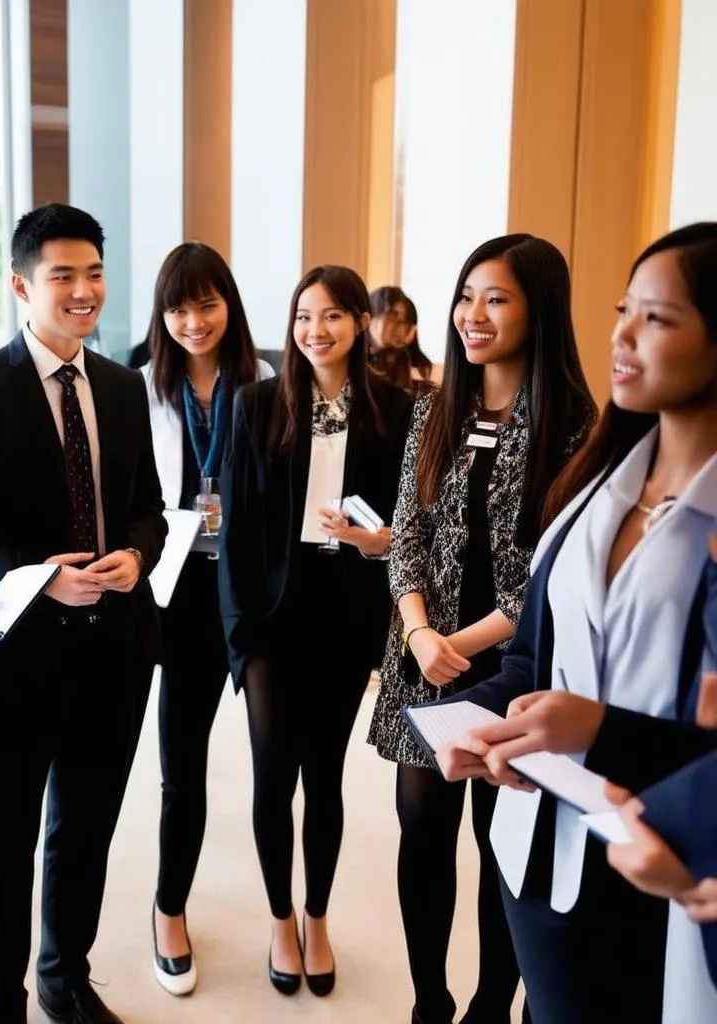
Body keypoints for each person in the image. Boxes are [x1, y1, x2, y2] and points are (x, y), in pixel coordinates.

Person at [434, 223, 717, 1022]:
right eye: (624, 310)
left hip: (660, 868)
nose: (622, 335)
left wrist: (598, 729)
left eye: (657, 319)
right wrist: (485, 718)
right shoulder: (601, 480)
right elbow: (539, 656)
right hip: (537, 845)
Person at [0, 202, 167, 1024]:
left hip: (117, 650)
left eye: (93, 273)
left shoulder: (124, 385)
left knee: (85, 829)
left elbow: (148, 507)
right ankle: (5, 1005)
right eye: (63, 275)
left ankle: (64, 977)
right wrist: (36, 581)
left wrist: (137, 555)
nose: (82, 291)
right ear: (21, 285)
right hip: (17, 653)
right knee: (3, 841)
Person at [368, 234, 596, 1024]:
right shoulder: (436, 408)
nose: (474, 315)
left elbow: (548, 577)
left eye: (496, 298)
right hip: (419, 657)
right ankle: (430, 1002)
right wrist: (421, 634)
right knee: (421, 836)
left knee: (506, 848)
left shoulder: (574, 426)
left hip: (513, 670)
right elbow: (405, 536)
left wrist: (456, 647)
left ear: (539, 308)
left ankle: (493, 1003)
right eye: (467, 296)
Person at [219, 264, 413, 997]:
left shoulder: (396, 410)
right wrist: (239, 636)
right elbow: (235, 527)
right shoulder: (257, 403)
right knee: (272, 775)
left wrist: (383, 543)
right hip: (271, 621)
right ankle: (278, 919)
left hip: (345, 617)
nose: (315, 330)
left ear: (359, 323)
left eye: (332, 315)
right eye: (304, 315)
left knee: (324, 779)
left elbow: (410, 528)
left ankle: (318, 917)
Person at [141, 241, 273, 995]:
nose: (194, 320)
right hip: (180, 596)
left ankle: (289, 922)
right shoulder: (138, 389)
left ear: (230, 304)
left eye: (208, 303)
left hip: (249, 596)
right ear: (165, 315)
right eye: (180, 306)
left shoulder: (264, 385)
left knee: (273, 770)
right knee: (180, 773)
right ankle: (168, 909)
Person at [368, 285, 437, 392]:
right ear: (371, 318)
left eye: (405, 322)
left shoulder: (401, 357)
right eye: (393, 319)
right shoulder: (352, 353)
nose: (401, 330)